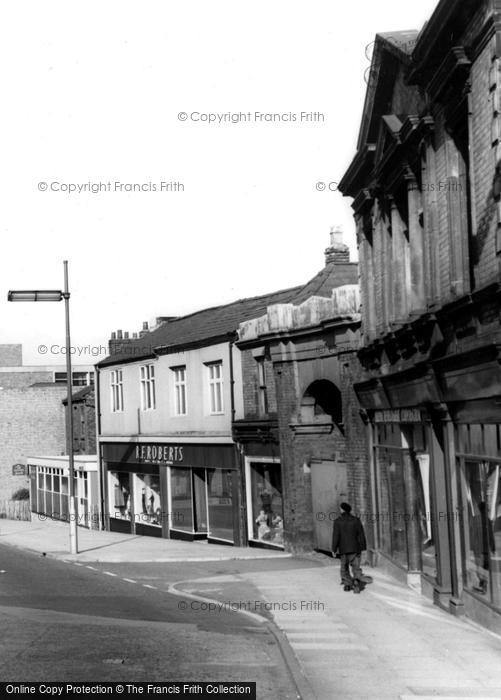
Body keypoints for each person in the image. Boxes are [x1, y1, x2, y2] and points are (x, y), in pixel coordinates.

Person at [331, 502, 367, 593]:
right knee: (356, 567)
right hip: (355, 549)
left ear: (342, 510)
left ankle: (347, 585)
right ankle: (356, 581)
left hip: (343, 549)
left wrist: (334, 549)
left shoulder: (337, 521)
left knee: (344, 567)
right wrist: (363, 547)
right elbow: (361, 535)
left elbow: (336, 536)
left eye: (340, 509)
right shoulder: (356, 520)